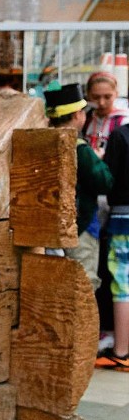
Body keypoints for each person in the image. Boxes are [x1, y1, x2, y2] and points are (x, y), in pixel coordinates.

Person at [44, 83, 113, 287]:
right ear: (77, 115)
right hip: (80, 226)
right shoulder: (80, 148)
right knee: (83, 283)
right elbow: (104, 182)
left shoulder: (42, 140)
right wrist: (99, 159)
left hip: (49, 226)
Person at [82, 71, 129, 353]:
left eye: (107, 97)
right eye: (96, 97)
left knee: (117, 272)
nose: (101, 102)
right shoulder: (86, 118)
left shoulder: (122, 121)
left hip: (115, 199)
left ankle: (116, 336)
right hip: (94, 199)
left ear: (116, 93)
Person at [95, 119, 129, 371]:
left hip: (123, 217)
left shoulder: (120, 136)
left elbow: (108, 180)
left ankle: (121, 351)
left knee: (122, 285)